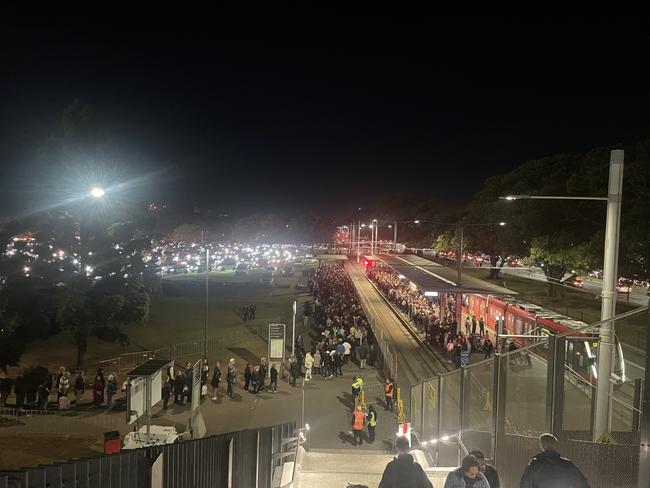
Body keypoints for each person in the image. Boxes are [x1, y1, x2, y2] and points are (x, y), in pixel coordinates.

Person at [519, 433, 590, 488]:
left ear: (541, 445)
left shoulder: (534, 464)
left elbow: (524, 484)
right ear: (555, 445)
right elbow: (583, 484)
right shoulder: (568, 465)